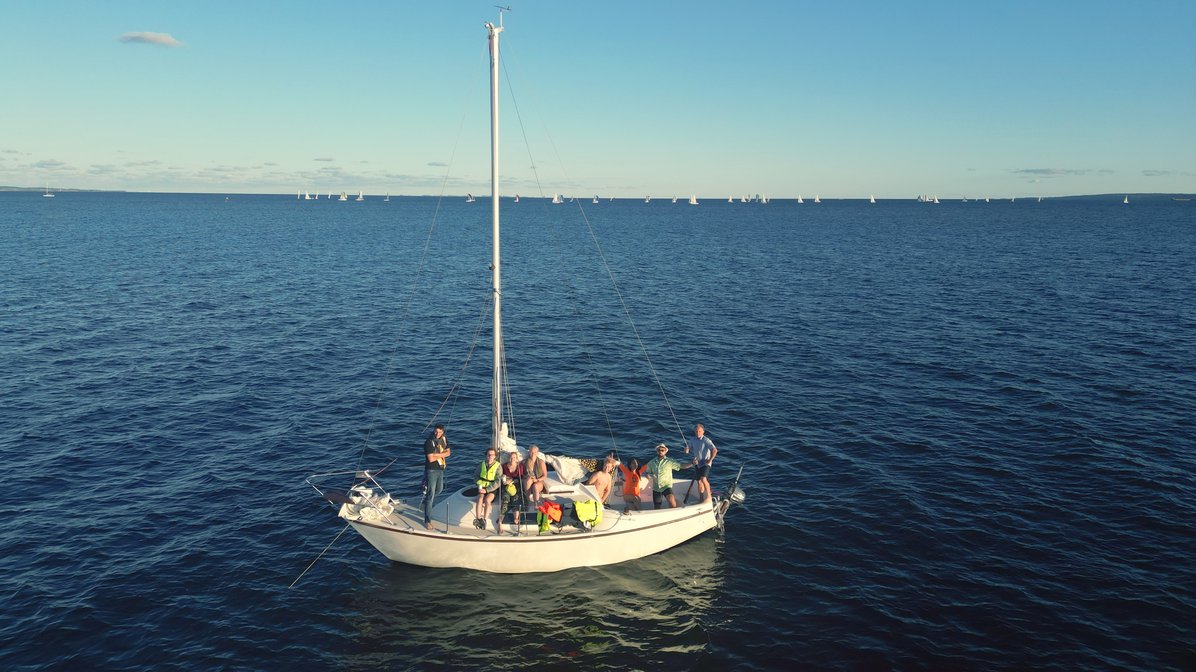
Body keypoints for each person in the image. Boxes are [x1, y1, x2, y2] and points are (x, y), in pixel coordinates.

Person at [421, 424, 451, 530]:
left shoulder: (444, 439)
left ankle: (427, 502)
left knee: (439, 489)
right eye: (436, 431)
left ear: (443, 432)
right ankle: (427, 520)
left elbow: (449, 453)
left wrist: (437, 454)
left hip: (440, 469)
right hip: (431, 470)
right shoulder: (429, 442)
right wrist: (441, 454)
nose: (437, 434)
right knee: (431, 495)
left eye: (440, 432)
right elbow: (431, 459)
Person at [646, 443, 691, 509]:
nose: (660, 451)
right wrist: (649, 475)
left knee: (671, 500)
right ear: (657, 451)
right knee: (657, 506)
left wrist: (692, 463)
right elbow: (648, 473)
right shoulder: (651, 462)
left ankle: (673, 513)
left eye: (662, 450)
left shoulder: (669, 461)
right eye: (659, 450)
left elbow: (681, 466)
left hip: (666, 486)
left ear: (665, 451)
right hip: (656, 488)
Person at [685, 423, 718, 503]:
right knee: (699, 481)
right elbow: (688, 448)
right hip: (697, 463)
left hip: (706, 463)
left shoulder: (706, 440)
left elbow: (714, 450)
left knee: (703, 479)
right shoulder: (692, 440)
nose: (698, 433)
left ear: (703, 431)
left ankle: (709, 496)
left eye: (699, 431)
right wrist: (686, 450)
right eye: (696, 431)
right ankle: (701, 499)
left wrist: (710, 460)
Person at [499, 450, 526, 535]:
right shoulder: (504, 466)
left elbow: (520, 478)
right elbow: (501, 476)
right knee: (505, 500)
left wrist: (511, 480)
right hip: (506, 487)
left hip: (516, 486)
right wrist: (505, 481)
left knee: (516, 500)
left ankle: (516, 519)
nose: (512, 459)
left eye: (514, 457)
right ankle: (500, 522)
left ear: (517, 459)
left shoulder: (520, 466)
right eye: (511, 457)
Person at [474, 448, 501, 530]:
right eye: (488, 454)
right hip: (482, 485)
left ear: (495, 456)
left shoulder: (498, 466)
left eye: (492, 454)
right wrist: (479, 484)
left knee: (487, 500)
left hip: (492, 488)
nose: (490, 456)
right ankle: (478, 519)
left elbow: (498, 481)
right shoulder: (482, 464)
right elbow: (476, 476)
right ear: (486, 455)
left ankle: (485, 520)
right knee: (480, 498)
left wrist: (487, 490)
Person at [522, 444, 548, 508]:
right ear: (529, 452)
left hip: (538, 481)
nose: (533, 454)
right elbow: (521, 474)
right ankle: (527, 500)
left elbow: (545, 476)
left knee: (535, 486)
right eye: (531, 452)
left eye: (535, 452)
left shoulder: (541, 462)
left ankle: (536, 504)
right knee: (528, 480)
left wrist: (537, 480)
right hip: (528, 481)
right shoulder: (524, 462)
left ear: (537, 453)